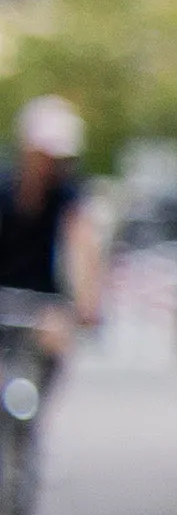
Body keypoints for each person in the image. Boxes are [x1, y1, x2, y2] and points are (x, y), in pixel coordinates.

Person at [0, 94, 99, 363]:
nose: (50, 166)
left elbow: (81, 243)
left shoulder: (66, 196)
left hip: (41, 302)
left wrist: (86, 302)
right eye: (44, 156)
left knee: (54, 346)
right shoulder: (4, 190)